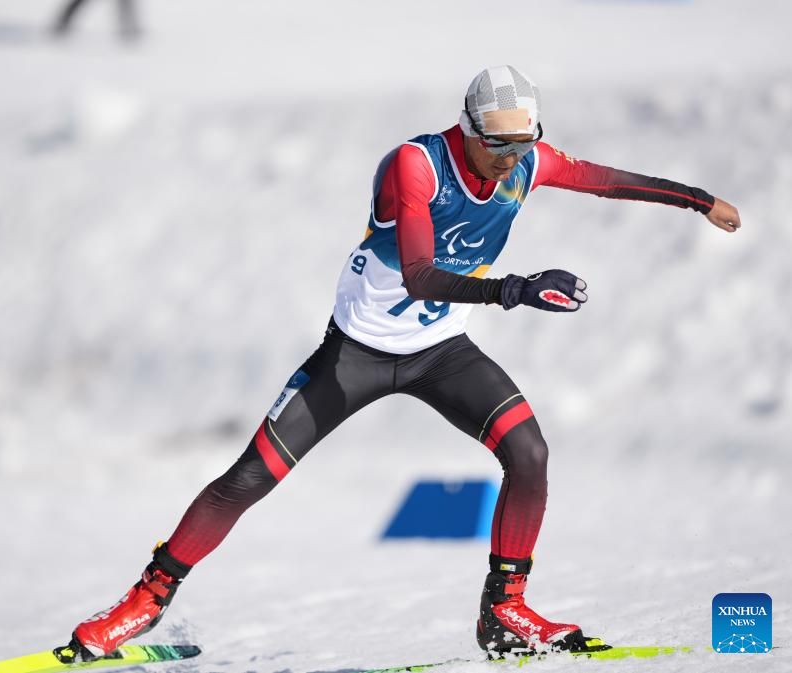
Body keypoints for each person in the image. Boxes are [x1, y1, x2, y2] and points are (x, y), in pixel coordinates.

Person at [67, 66, 741, 658]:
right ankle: (146, 599)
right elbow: (419, 276)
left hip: (439, 353)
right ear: (467, 127)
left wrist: (699, 199)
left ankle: (504, 610)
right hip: (355, 354)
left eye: (523, 144)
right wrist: (514, 289)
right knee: (248, 478)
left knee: (529, 452)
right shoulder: (416, 165)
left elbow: (603, 180)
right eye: (498, 144)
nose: (510, 159)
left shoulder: (525, 163)